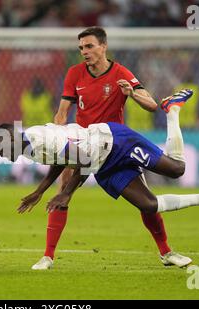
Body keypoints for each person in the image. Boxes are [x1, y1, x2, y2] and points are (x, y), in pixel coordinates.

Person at [0, 89, 199, 268]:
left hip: (116, 142)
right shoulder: (27, 147)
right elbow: (61, 159)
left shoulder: (39, 138)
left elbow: (81, 159)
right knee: (148, 205)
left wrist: (66, 192)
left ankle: (172, 110)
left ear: (11, 140)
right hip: (104, 163)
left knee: (177, 169)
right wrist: (40, 191)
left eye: (0, 147)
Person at [40, 26, 190, 271]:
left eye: (89, 46)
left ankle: (166, 252)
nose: (84, 52)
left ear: (103, 46)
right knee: (63, 193)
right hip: (83, 143)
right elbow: (62, 112)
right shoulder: (75, 74)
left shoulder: (120, 72)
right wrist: (60, 135)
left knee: (146, 202)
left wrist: (131, 94)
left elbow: (152, 105)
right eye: (81, 48)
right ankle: (47, 256)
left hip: (116, 145)